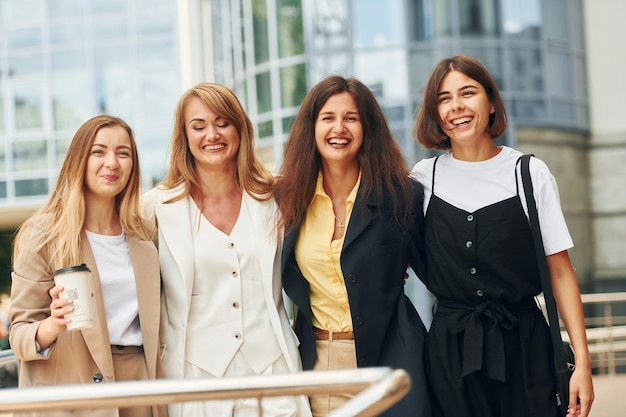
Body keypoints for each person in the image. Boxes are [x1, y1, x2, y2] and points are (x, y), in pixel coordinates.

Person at [410, 55, 594, 417]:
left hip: (527, 350)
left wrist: (584, 365)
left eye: (468, 93)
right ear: (435, 112)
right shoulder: (422, 178)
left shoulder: (529, 173)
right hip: (450, 353)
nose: (456, 106)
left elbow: (561, 272)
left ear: (491, 103)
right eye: (444, 98)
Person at [141, 83, 311, 417]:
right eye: (199, 126)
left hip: (272, 373)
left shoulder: (275, 196)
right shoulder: (155, 207)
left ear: (239, 128)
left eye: (222, 122)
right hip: (195, 382)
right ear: (184, 136)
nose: (212, 134)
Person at [276, 75, 431, 417]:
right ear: (311, 127)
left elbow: (439, 275)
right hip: (316, 363)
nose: (339, 128)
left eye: (351, 118)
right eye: (328, 118)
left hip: (392, 363)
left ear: (367, 128)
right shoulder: (286, 199)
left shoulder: (402, 197)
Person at [10, 115, 166, 417]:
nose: (112, 162)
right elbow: (19, 337)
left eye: (123, 153)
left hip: (138, 386)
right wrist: (53, 324)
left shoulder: (146, 235)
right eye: (99, 151)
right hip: (70, 392)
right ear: (79, 160)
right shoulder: (43, 235)